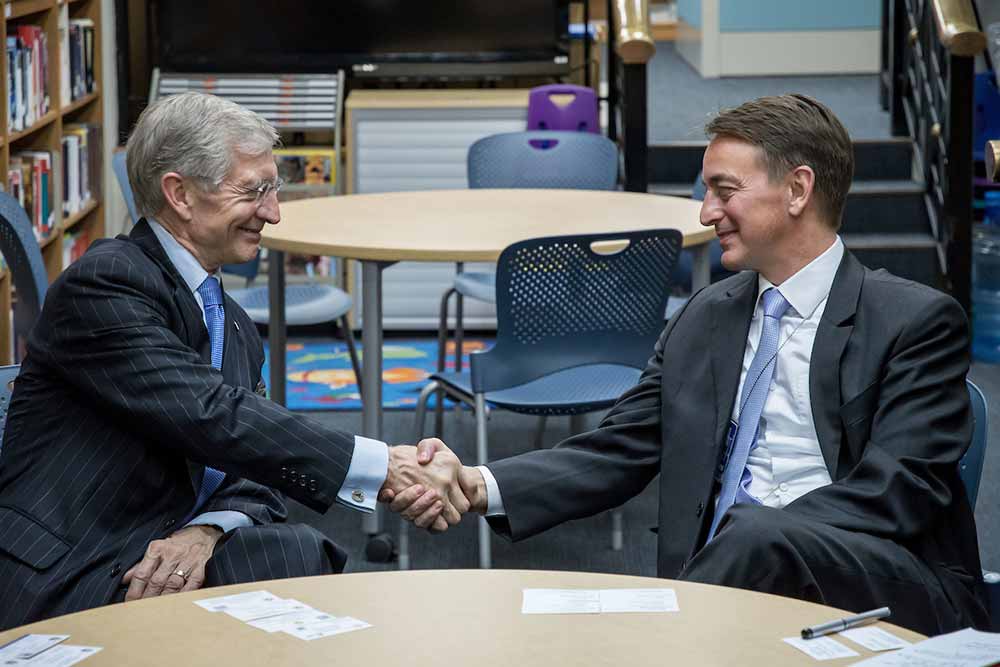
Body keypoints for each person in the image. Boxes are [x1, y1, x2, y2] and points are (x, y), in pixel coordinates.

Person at [390, 94, 990, 635]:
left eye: (724, 191)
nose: (705, 214)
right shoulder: (706, 317)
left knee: (754, 530)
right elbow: (620, 449)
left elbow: (897, 492)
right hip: (725, 582)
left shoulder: (914, 320)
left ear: (798, 190)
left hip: (877, 584)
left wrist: (755, 536)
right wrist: (475, 483)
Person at [0, 92, 464, 631]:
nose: (272, 212)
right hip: (74, 561)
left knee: (299, 555)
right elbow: (212, 414)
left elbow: (253, 463)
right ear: (180, 195)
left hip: (165, 544)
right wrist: (384, 465)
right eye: (253, 190)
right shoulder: (106, 285)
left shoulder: (233, 322)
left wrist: (207, 532)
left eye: (274, 188)